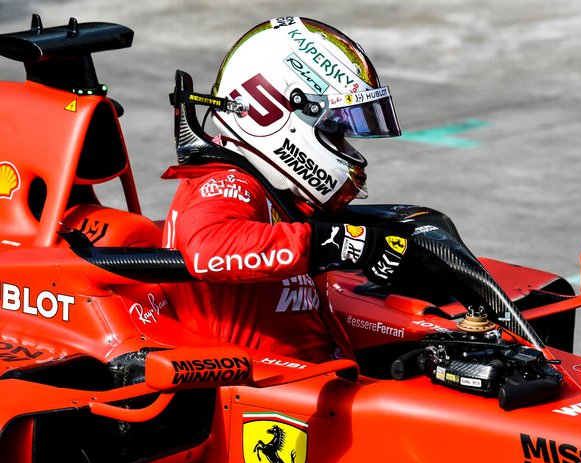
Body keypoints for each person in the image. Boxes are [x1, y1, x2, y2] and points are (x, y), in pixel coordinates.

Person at [161, 16, 410, 363]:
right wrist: (345, 242)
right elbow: (206, 247)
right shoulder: (224, 181)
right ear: (272, 113)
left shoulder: (273, 186)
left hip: (314, 379)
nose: (345, 146)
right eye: (334, 129)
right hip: (262, 394)